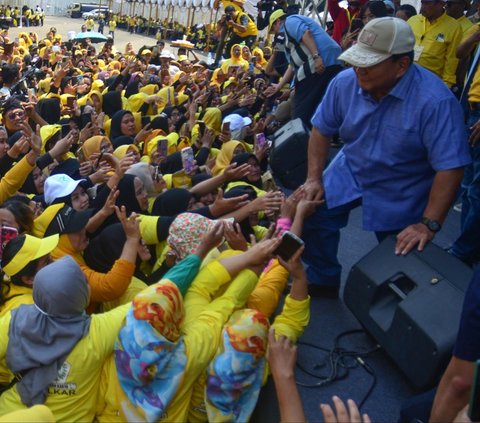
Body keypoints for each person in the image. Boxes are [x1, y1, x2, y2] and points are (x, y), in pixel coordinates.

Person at [302, 17, 471, 297]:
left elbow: (451, 167)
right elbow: (321, 130)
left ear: (401, 65)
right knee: (313, 210)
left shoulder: (436, 102)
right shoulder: (344, 82)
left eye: (368, 64)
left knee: (401, 252)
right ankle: (323, 276)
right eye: (357, 61)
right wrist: (313, 178)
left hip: (406, 182)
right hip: (353, 165)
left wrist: (428, 223)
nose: (358, 70)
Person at [266, 10, 343, 128]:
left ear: (277, 22)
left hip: (321, 63)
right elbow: (293, 65)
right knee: (320, 109)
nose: (274, 33)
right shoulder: (288, 41)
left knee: (301, 115)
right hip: (324, 64)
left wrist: (316, 57)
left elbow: (306, 34)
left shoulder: (289, 22)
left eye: (272, 29)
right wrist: (279, 86)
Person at [447, 25, 480, 265]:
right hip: (471, 106)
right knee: (468, 184)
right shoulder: (477, 28)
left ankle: (465, 249)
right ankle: (466, 245)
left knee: (476, 187)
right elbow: (461, 53)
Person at [407, 0, 462, 89]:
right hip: (405, 77)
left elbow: (451, 60)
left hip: (429, 84)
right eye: (422, 2)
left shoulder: (454, 27)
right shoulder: (413, 20)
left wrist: (446, 85)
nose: (423, 6)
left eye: (427, 3)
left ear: (441, 4)